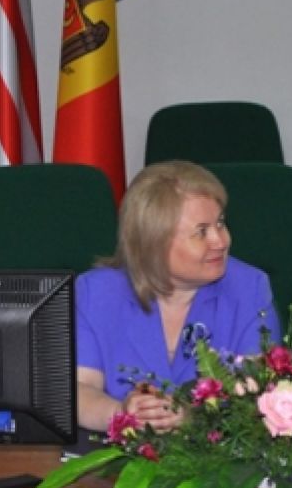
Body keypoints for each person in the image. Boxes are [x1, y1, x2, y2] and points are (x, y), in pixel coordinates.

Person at [75, 161, 280, 433]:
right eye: (202, 231)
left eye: (220, 223)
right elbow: (79, 389)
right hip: (118, 454)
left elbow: (260, 395)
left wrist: (192, 417)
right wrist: (122, 415)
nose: (221, 241)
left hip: (216, 454)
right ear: (154, 242)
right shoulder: (97, 293)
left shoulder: (249, 288)